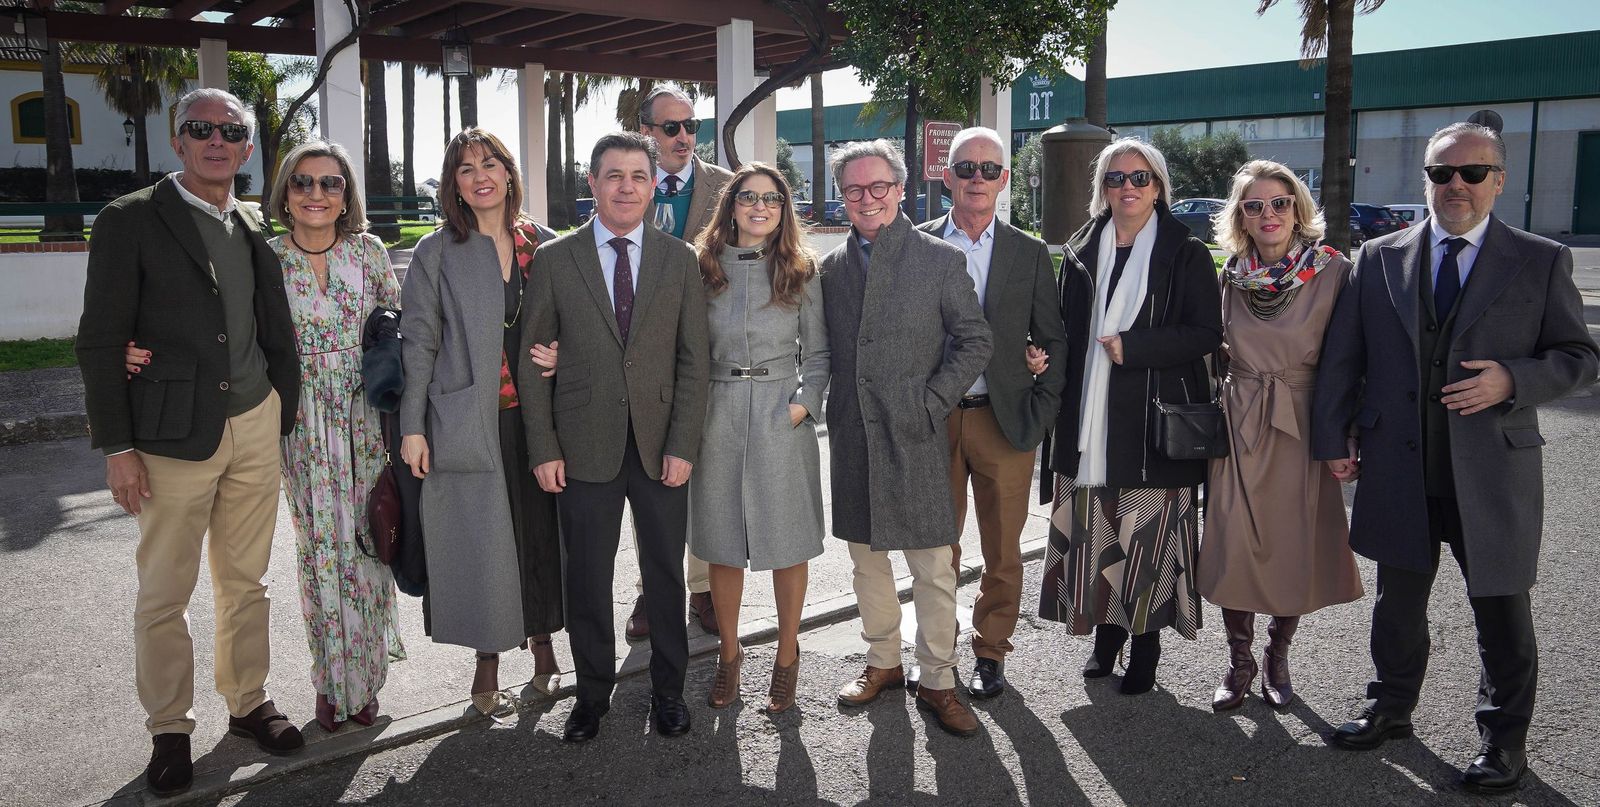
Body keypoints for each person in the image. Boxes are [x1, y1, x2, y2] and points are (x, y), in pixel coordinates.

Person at [1314, 122, 1599, 792]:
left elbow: (1580, 359)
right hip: (1399, 464)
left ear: (1499, 180)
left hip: (1492, 470)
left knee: (1501, 608)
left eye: (1474, 173)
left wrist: (1512, 380)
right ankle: (1389, 706)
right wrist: (1335, 437)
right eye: (1443, 174)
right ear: (1426, 181)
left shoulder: (1540, 259)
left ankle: (1504, 740)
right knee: (1397, 602)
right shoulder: (1379, 257)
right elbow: (1343, 360)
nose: (1458, 186)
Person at [123, 141, 411, 733]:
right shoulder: (266, 254)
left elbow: (397, 330)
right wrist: (136, 349)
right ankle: (332, 687)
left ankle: (367, 681)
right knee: (320, 555)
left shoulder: (371, 253)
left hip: (365, 422)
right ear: (284, 193)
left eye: (331, 184)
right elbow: (215, 324)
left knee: (369, 547)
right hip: (299, 422)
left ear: (347, 195)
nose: (316, 195)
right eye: (303, 183)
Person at [76, 87, 304, 797]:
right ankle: (169, 728)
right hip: (171, 433)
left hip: (256, 420)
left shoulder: (254, 222)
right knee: (164, 590)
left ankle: (247, 703)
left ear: (245, 145)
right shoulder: (131, 219)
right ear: (177, 140)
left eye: (230, 130)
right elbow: (101, 338)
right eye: (200, 128)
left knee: (248, 582)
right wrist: (117, 444)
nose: (216, 139)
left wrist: (278, 408)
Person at [518, 131, 710, 743]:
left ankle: (670, 694)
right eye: (613, 175)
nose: (626, 186)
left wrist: (684, 443)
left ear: (653, 186)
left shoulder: (678, 259)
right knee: (588, 579)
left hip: (661, 448)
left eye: (637, 176)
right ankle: (591, 696)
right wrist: (544, 447)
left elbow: (692, 361)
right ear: (592, 185)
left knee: (664, 577)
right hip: (581, 447)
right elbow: (531, 358)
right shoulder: (555, 260)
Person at [1037, 137, 1222, 696]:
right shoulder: (1080, 248)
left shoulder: (1185, 251)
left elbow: (1205, 334)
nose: (1128, 188)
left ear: (1159, 185)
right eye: (1116, 179)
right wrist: (1040, 353)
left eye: (1140, 178)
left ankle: (1146, 648)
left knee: (1147, 543)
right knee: (1097, 539)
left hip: (1151, 425)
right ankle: (1105, 642)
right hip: (1087, 424)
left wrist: (1134, 347)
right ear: (1103, 189)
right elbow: (1068, 332)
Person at [822, 139, 992, 737]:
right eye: (853, 190)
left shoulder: (940, 260)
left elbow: (975, 341)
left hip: (916, 433)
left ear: (900, 190)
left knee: (933, 567)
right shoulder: (831, 268)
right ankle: (883, 663)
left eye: (878, 187)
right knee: (867, 563)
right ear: (842, 197)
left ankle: (940, 681)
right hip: (854, 433)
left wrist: (931, 402)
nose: (866, 199)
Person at [398, 128, 564, 719]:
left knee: (541, 534)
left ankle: (545, 651)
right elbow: (417, 341)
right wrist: (413, 425)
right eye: (465, 168)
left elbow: (581, 325)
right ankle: (487, 663)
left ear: (510, 172)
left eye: (489, 162)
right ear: (454, 185)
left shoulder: (545, 244)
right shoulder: (436, 251)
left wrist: (564, 356)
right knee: (478, 543)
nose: (480, 175)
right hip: (469, 417)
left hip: (542, 419)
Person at [1196, 160, 1362, 712]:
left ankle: (1277, 655)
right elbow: (1217, 349)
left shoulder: (1335, 272)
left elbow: (1351, 362)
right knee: (1232, 542)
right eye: (1254, 205)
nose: (1269, 214)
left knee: (1292, 543)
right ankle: (1238, 660)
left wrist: (1347, 435)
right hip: (1239, 422)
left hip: (1302, 424)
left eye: (1280, 203)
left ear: (1298, 209)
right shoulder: (1231, 274)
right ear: (1240, 217)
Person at [913, 127, 1067, 699]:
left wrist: (1042, 407)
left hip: (1005, 421)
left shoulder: (1027, 252)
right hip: (934, 422)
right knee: (936, 547)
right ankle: (938, 651)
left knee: (1003, 549)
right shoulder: (916, 242)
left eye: (989, 169)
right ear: (947, 174)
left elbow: (1053, 338)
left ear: (1003, 180)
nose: (977, 178)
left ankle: (991, 652)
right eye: (966, 167)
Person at [690, 163, 829, 713]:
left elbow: (818, 356)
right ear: (731, 204)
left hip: (780, 416)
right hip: (717, 415)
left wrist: (804, 405)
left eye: (771, 198)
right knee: (722, 543)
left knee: (788, 543)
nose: (759, 207)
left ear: (783, 209)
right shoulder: (703, 268)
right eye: (748, 197)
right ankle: (729, 654)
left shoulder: (800, 271)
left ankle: (787, 656)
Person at [629, 82, 733, 639]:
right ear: (646, 132)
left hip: (710, 354)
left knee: (705, 475)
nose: (685, 137)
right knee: (652, 475)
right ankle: (654, 587)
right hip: (642, 357)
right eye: (671, 127)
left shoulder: (723, 187)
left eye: (692, 126)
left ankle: (705, 590)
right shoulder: (628, 184)